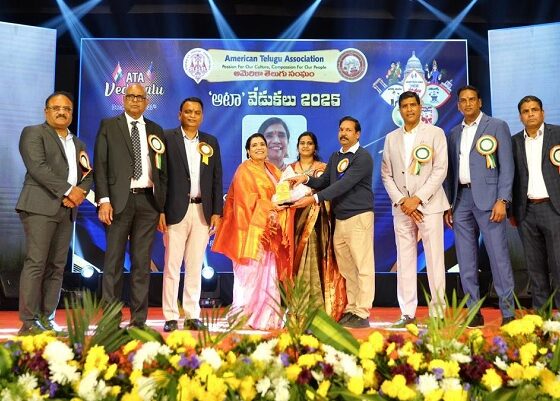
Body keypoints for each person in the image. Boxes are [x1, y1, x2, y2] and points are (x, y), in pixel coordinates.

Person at [16, 91, 93, 334]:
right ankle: (29, 322)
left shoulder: (78, 143)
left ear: (71, 113)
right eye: (56, 108)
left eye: (67, 109)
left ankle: (46, 318)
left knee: (57, 266)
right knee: (36, 263)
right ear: (46, 111)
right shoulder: (33, 133)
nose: (62, 112)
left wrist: (79, 192)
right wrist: (69, 191)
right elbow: (38, 168)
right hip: (39, 206)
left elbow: (88, 174)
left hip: (67, 210)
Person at [94, 83, 167, 328]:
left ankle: (138, 320)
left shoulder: (156, 130)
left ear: (147, 102)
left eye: (140, 97)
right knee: (113, 262)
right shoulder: (109, 126)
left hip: (148, 203)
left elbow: (162, 171)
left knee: (141, 264)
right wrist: (104, 200)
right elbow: (100, 166)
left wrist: (161, 207)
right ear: (123, 100)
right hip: (117, 202)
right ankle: (111, 320)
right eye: (131, 96)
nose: (135, 100)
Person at [291, 116, 374, 329]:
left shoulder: (363, 157)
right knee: (347, 268)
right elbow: (325, 181)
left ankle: (362, 312)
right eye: (341, 129)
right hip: (340, 218)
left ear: (357, 134)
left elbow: (343, 185)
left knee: (362, 267)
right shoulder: (336, 156)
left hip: (358, 217)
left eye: (348, 130)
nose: (343, 133)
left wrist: (314, 198)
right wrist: (306, 179)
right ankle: (352, 309)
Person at [444, 85, 515, 327]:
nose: (467, 104)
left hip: (490, 200)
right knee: (466, 261)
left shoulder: (496, 126)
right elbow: (450, 172)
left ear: (480, 102)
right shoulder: (454, 133)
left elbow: (507, 166)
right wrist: (449, 204)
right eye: (463, 100)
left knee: (498, 257)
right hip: (461, 200)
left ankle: (508, 312)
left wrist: (503, 199)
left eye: (472, 99)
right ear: (458, 105)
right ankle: (474, 310)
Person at [381, 91, 449, 328]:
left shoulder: (435, 133)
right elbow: (386, 175)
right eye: (405, 106)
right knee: (405, 260)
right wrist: (403, 201)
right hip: (402, 209)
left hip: (429, 205)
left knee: (434, 260)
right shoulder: (391, 138)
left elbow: (440, 169)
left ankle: (438, 313)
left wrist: (417, 199)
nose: (409, 109)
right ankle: (407, 313)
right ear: (399, 110)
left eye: (413, 105)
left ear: (421, 107)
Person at [212, 133, 292, 330]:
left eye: (262, 144)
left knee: (268, 276)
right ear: (248, 151)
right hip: (249, 232)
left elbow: (283, 194)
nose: (259, 147)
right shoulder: (244, 170)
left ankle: (266, 319)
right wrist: (271, 207)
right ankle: (243, 318)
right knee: (248, 277)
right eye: (254, 145)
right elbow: (246, 202)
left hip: (269, 232)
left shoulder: (273, 169)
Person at [159, 97, 223, 332]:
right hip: (175, 210)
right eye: (188, 111)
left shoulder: (210, 142)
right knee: (172, 266)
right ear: (180, 114)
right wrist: (160, 209)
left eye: (197, 112)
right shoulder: (167, 138)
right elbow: (161, 177)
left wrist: (217, 211)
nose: (192, 115)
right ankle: (170, 315)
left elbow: (216, 178)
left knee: (195, 266)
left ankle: (192, 314)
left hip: (202, 211)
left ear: (202, 116)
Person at [289, 132, 346, 320]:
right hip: (297, 220)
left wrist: (312, 197)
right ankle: (299, 305)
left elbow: (329, 190)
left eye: (309, 143)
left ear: (315, 147)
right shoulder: (289, 169)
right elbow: (283, 193)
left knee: (316, 256)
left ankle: (318, 304)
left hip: (318, 220)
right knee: (298, 260)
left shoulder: (323, 168)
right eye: (302, 143)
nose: (305, 146)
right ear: (297, 147)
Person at [510, 95, 560, 309]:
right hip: (526, 212)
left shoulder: (557, 134)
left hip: (554, 209)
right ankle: (542, 315)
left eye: (534, 110)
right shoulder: (514, 142)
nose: (530, 114)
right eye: (525, 111)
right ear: (520, 117)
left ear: (542, 113)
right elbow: (510, 179)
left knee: (558, 264)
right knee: (535, 268)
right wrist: (512, 211)